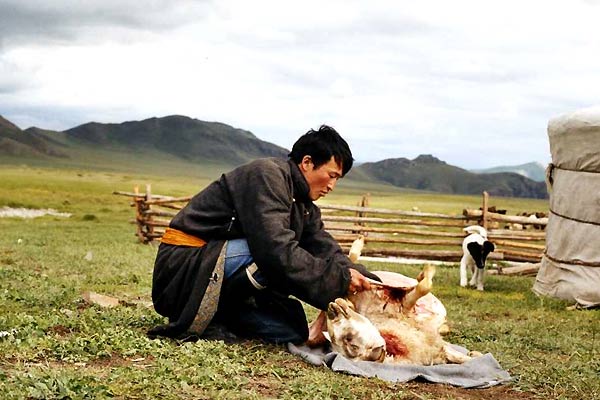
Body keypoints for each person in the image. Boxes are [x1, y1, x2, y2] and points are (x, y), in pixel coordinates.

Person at [149, 125, 380, 344]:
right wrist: (340, 280)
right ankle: (202, 313)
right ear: (307, 162)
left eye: (338, 179)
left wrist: (370, 281)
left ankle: (219, 316)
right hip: (183, 267)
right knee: (269, 254)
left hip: (220, 263)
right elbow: (273, 250)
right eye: (331, 175)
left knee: (291, 331)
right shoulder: (267, 175)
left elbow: (324, 248)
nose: (332, 185)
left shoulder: (305, 206)